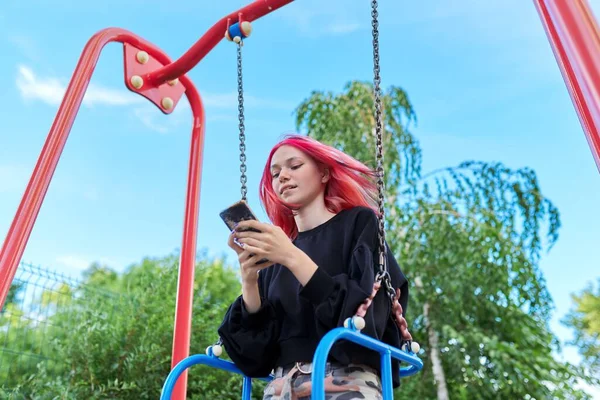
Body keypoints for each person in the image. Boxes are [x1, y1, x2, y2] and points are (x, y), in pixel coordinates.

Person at [217, 134, 412, 399]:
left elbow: (362, 319)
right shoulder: (276, 254)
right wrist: (250, 281)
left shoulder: (358, 225)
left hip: (345, 381)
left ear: (323, 173)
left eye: (294, 166)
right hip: (281, 388)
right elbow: (255, 357)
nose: (282, 176)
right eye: (275, 174)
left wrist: (292, 257)